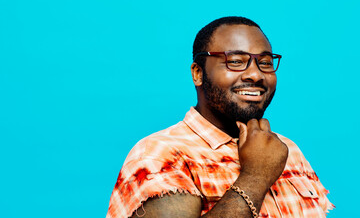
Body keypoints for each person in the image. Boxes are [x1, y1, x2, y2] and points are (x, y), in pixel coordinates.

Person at [106, 16, 334, 218]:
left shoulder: (288, 150)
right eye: (235, 61)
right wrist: (255, 176)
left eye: (265, 63)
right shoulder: (160, 155)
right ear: (198, 73)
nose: (255, 74)